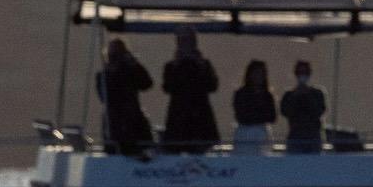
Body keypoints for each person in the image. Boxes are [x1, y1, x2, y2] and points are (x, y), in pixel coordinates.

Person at [159, 26, 220, 154]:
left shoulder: (204, 64)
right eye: (182, 41)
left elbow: (213, 86)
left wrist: (201, 65)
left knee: (200, 153)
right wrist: (176, 65)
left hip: (200, 118)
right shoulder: (171, 66)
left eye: (188, 41)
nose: (185, 44)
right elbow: (167, 88)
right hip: (178, 119)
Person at [98, 38, 154, 157]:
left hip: (132, 119)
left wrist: (134, 64)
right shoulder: (104, 75)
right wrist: (111, 72)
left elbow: (146, 84)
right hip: (114, 121)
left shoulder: (131, 71)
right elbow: (104, 97)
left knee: (139, 146)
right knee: (114, 151)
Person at [280, 59, 328, 154]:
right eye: (300, 72)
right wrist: (295, 96)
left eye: (305, 72)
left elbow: (319, 111)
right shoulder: (289, 94)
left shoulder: (317, 93)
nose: (302, 75)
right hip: (295, 135)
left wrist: (309, 96)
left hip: (313, 136)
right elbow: (285, 112)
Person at [231, 60, 276, 155]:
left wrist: (254, 115)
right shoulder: (241, 94)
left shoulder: (267, 95)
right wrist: (260, 115)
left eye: (261, 73)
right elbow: (241, 116)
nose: (258, 76)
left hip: (262, 133)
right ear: (249, 74)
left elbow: (272, 117)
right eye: (256, 73)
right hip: (245, 133)